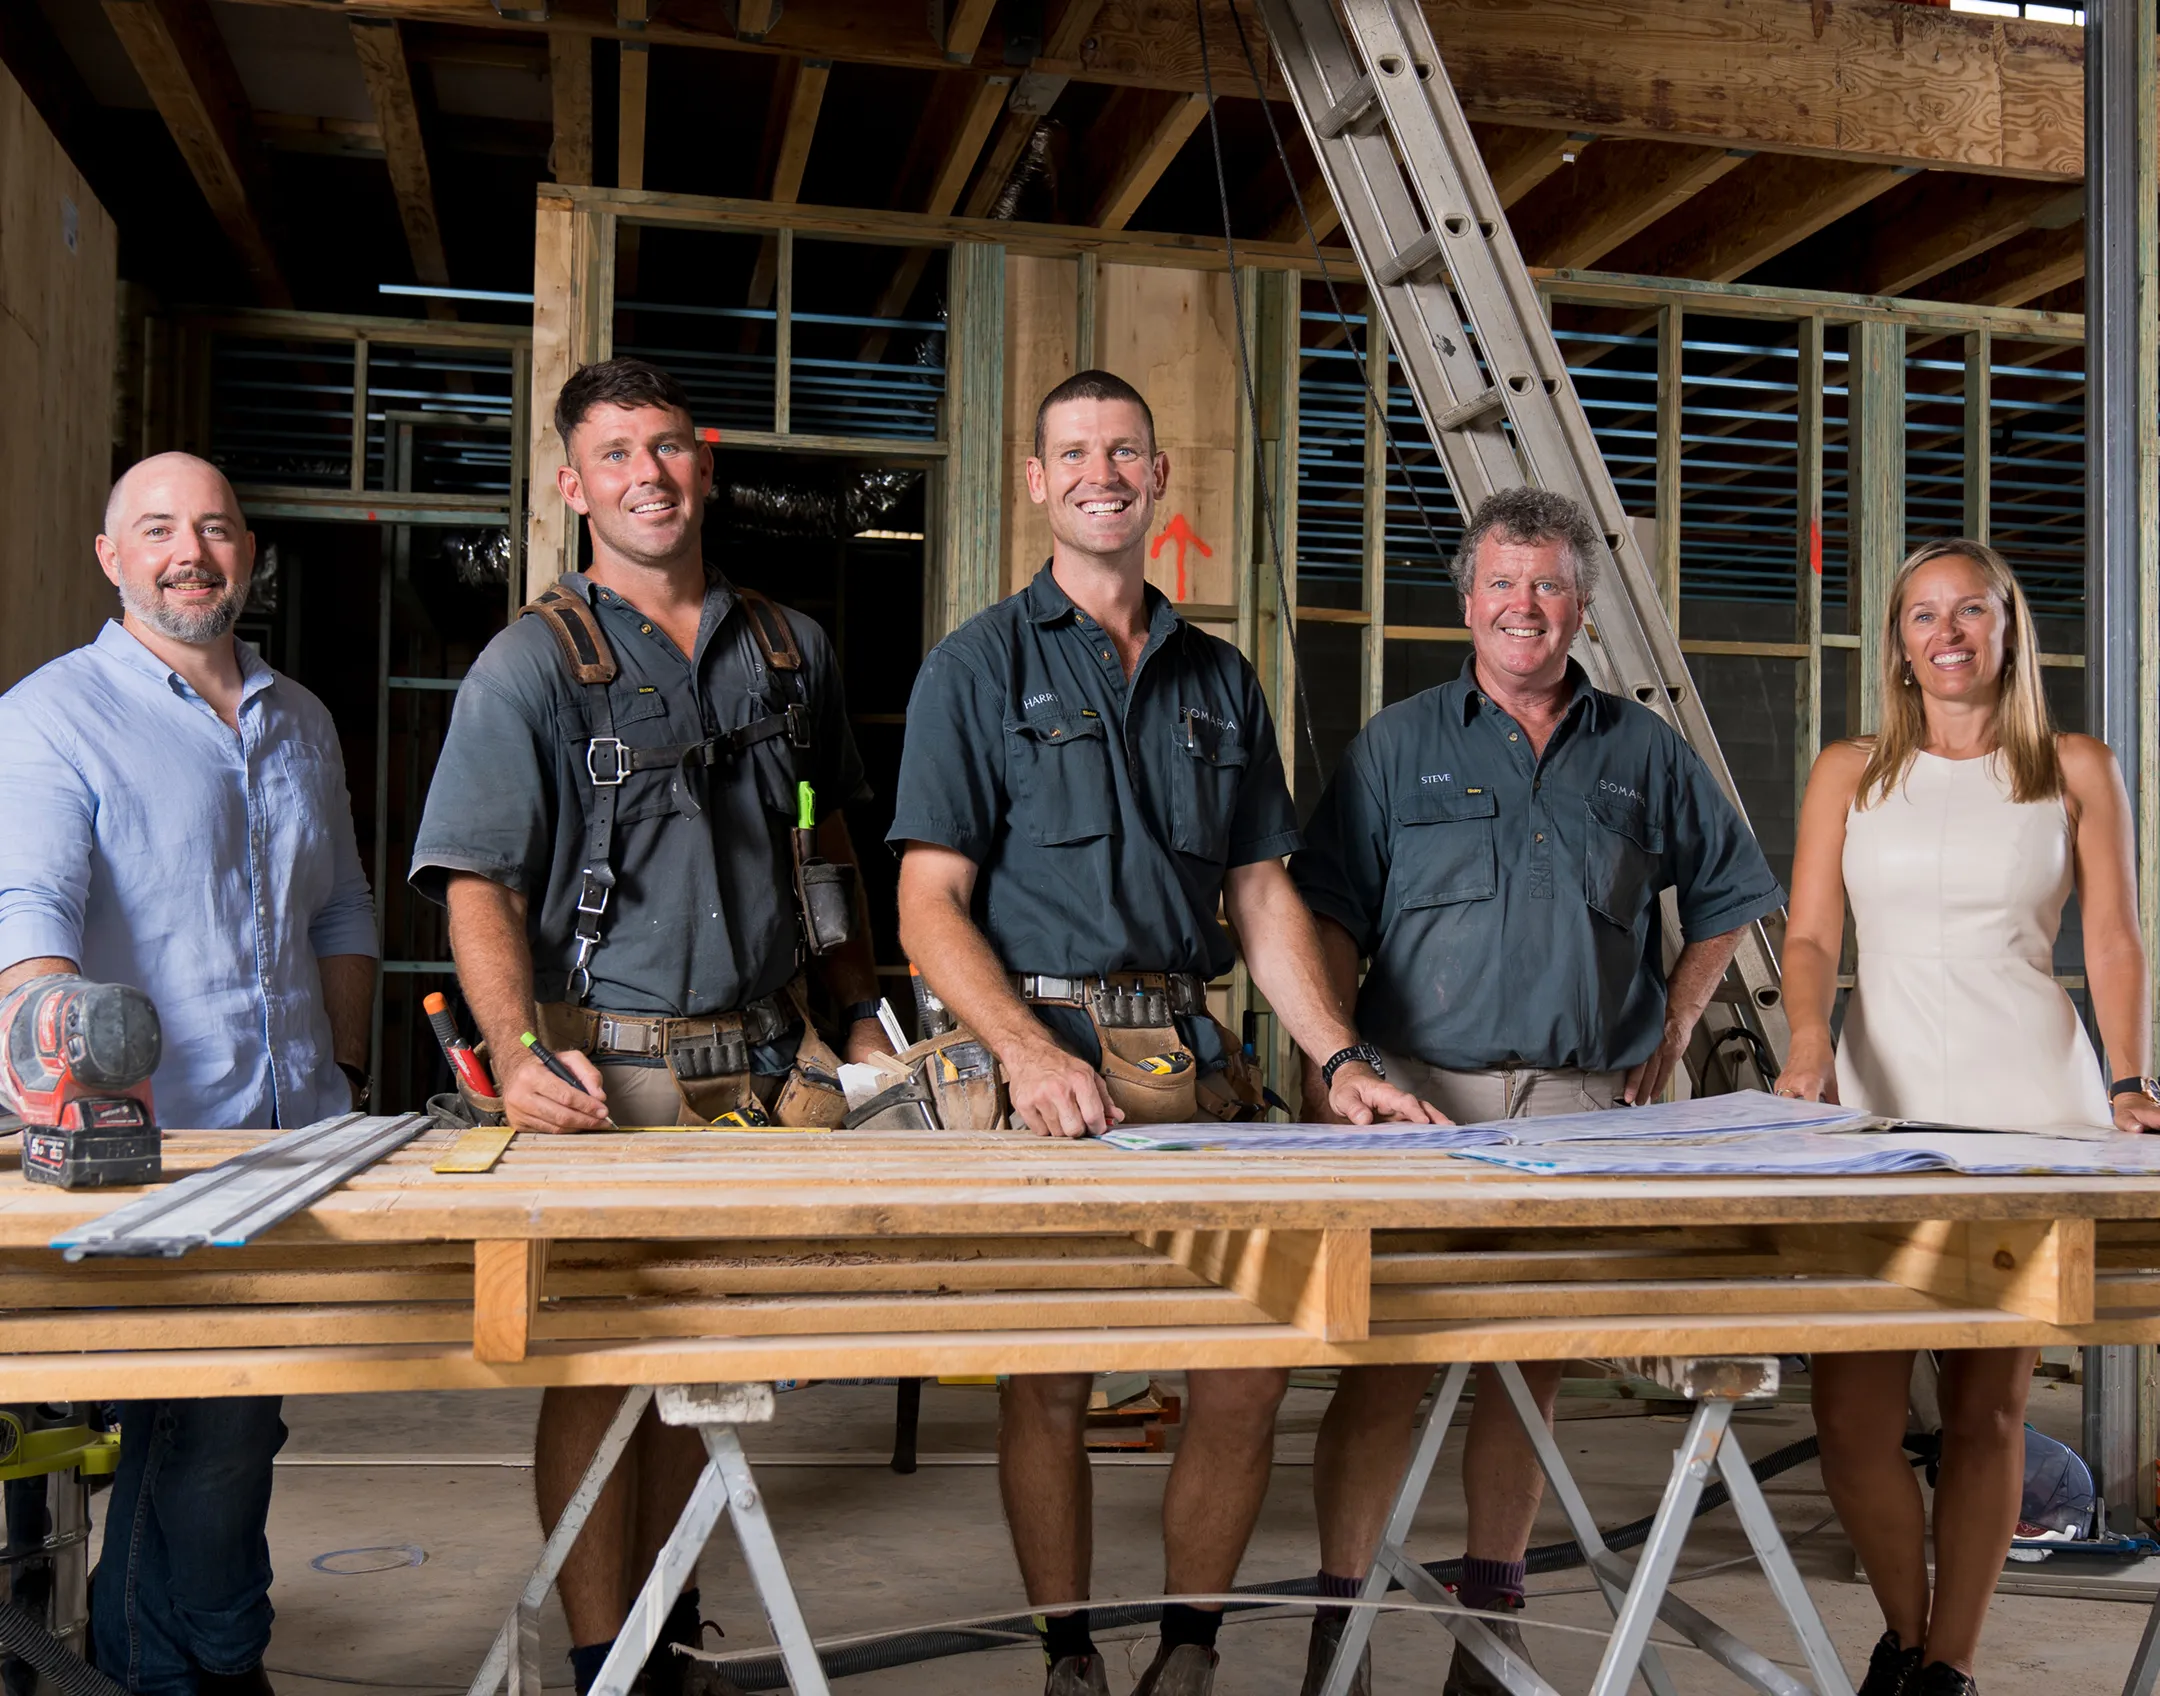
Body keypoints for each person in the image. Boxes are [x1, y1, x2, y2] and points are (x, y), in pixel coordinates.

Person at [890, 368, 1438, 1696]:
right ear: (1036, 483)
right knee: (1052, 1386)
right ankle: (1069, 1657)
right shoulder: (978, 668)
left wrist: (1341, 1056)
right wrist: (1024, 1051)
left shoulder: (1219, 678)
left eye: (1124, 450)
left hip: (1193, 1064)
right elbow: (927, 903)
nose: (1100, 472)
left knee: (1245, 1377)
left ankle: (1188, 1649)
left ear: (1158, 479)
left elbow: (1260, 894)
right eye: (1073, 451)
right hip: (1047, 1067)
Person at [409, 357, 890, 1695]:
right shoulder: (531, 666)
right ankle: (593, 1658)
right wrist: (514, 1056)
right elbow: (477, 885)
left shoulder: (791, 648)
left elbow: (827, 837)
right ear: (574, 487)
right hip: (607, 1073)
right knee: (600, 1365)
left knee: (709, 1356)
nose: (649, 474)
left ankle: (663, 1639)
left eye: (669, 446)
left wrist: (855, 1008)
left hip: (764, 1062)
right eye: (616, 454)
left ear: (706, 464)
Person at [1287, 486, 1786, 1696]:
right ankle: (1339, 1632)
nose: (1526, 606)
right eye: (1504, 583)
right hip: (1414, 1091)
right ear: (1468, 601)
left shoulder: (1643, 752)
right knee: (1381, 1356)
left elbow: (1727, 893)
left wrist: (1671, 1023)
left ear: (1581, 608)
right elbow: (1328, 920)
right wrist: (1333, 1068)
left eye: (1550, 584)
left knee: (1529, 1357)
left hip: (1576, 1099)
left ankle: (1488, 1631)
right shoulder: (1400, 744)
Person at [0, 453, 378, 1695]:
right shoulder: (51, 715)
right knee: (208, 1426)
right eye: (157, 528)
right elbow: (29, 919)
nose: (189, 551)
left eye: (214, 529)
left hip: (296, 1140)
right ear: (112, 558)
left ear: (247, 554)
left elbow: (340, 912)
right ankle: (193, 1665)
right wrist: (54, 1048)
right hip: (153, 1151)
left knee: (237, 1419)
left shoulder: (303, 717)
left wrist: (351, 1064)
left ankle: (178, 1657)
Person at [1775, 537, 2160, 1696]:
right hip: (1878, 1111)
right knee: (1853, 1415)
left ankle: (1946, 1668)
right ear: (1897, 641)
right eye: (1923, 615)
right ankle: (1904, 1630)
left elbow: (2113, 940)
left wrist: (2135, 1080)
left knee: (1987, 1410)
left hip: (2030, 1109)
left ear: (2008, 628)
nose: (1947, 634)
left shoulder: (2075, 765)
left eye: (1971, 612)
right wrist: (1804, 1046)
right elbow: (1808, 938)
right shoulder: (1850, 769)